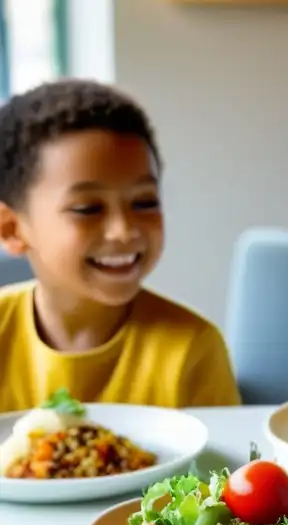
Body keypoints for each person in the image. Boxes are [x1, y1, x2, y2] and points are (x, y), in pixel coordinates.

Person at [0, 79, 241, 412]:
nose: (123, 231)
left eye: (144, 202)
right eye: (88, 209)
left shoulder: (193, 347)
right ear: (11, 229)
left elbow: (225, 463)